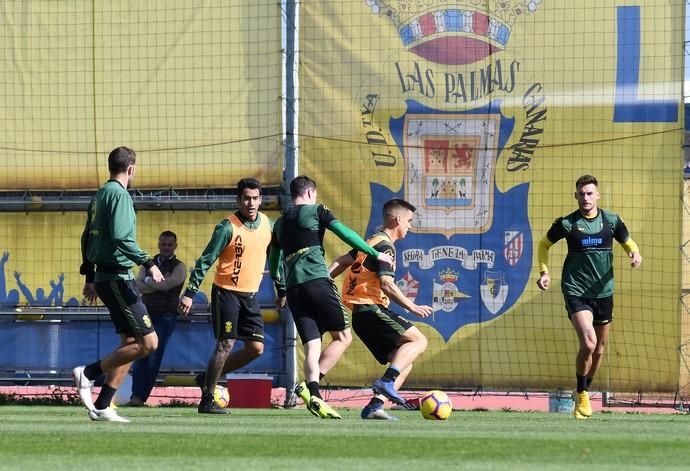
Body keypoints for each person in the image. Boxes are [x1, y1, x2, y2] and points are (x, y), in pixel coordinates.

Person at [268, 175, 394, 419]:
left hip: (294, 289)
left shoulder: (280, 224)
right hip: (317, 281)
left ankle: (313, 394)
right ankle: (309, 387)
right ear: (310, 193)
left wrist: (280, 288)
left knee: (312, 344)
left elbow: (273, 260)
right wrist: (373, 253)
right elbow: (344, 233)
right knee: (342, 337)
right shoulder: (318, 211)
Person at [536, 175, 642, 420]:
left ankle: (584, 388)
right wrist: (544, 272)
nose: (585, 197)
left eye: (589, 193)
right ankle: (582, 392)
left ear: (597, 196)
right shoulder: (567, 224)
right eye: (581, 193)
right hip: (576, 290)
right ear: (576, 196)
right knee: (589, 343)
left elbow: (628, 242)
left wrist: (635, 254)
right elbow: (543, 245)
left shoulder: (611, 221)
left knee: (600, 350)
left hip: (603, 293)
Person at [178, 177, 284, 414]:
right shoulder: (227, 226)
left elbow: (275, 258)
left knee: (256, 348)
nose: (251, 202)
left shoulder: (268, 224)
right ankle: (207, 399)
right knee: (226, 343)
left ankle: (208, 377)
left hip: (250, 296)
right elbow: (206, 260)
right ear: (238, 199)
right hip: (226, 293)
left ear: (261, 200)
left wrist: (281, 286)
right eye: (246, 198)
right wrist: (189, 293)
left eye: (256, 198)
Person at [74, 146, 164, 423]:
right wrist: (149, 263)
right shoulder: (120, 196)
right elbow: (122, 238)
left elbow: (86, 237)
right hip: (117, 278)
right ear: (131, 169)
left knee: (128, 342)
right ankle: (88, 373)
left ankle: (103, 404)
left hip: (104, 277)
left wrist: (90, 276)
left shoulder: (100, 195)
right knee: (149, 343)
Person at [329, 198, 432, 420]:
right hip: (370, 309)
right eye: (410, 221)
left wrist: (324, 279)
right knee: (419, 341)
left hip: (362, 316)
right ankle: (386, 382)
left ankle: (375, 406)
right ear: (398, 220)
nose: (410, 226)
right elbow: (387, 283)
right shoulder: (386, 246)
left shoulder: (371, 242)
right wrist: (412, 306)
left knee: (404, 362)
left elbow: (342, 260)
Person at [129, 231, 187, 406]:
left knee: (153, 357)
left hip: (166, 315)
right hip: (146, 314)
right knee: (140, 355)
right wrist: (154, 282)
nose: (166, 247)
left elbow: (168, 285)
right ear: (158, 244)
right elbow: (137, 286)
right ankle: (136, 397)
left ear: (175, 246)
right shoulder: (148, 263)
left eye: (170, 244)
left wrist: (148, 281)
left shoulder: (179, 266)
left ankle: (140, 397)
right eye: (163, 244)